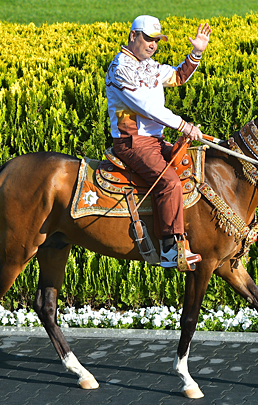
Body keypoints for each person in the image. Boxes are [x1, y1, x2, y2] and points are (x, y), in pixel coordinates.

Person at [105, 15, 211, 269]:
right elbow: (148, 108)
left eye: (157, 40)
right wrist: (183, 125)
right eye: (148, 39)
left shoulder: (149, 65)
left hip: (155, 141)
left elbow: (177, 77)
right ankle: (169, 249)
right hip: (132, 143)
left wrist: (196, 53)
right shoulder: (121, 69)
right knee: (169, 182)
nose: (153, 45)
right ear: (133, 36)